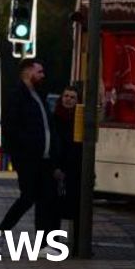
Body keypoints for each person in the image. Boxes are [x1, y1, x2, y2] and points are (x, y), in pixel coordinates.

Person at [0, 59, 64, 244]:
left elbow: (46, 125)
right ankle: (1, 231)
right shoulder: (17, 95)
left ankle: (43, 244)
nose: (43, 75)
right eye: (39, 71)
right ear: (28, 72)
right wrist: (24, 149)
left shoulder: (38, 94)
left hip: (44, 159)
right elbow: (10, 126)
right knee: (29, 197)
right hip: (28, 158)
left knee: (44, 200)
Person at [53, 86, 79, 220]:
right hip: (58, 166)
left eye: (72, 97)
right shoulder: (55, 118)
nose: (68, 99)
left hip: (73, 167)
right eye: (66, 96)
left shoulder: (79, 121)